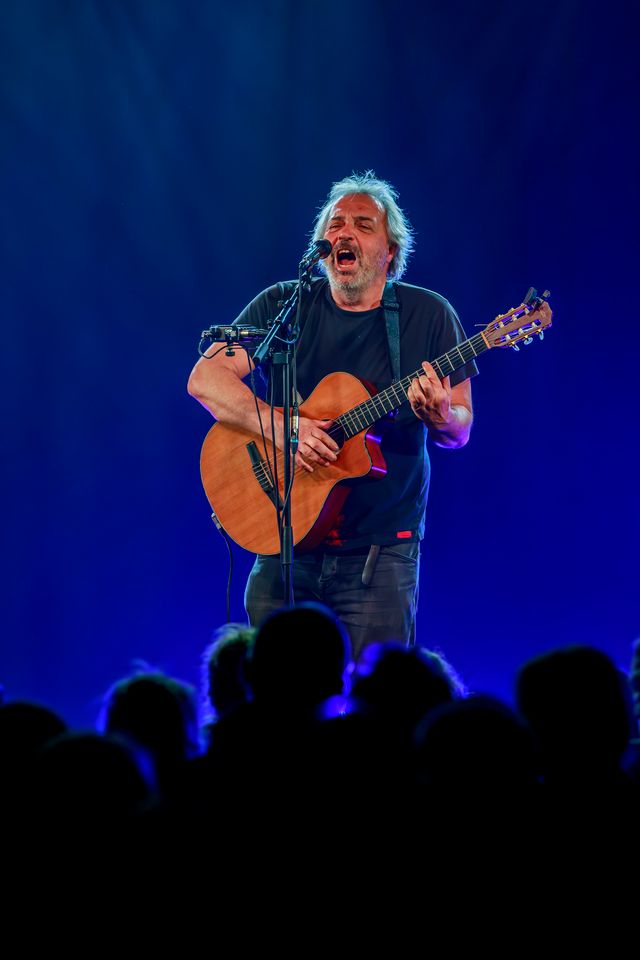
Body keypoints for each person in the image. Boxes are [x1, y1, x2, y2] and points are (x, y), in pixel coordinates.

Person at [188, 171, 479, 660]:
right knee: (276, 692)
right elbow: (205, 378)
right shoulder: (284, 304)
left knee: (376, 697)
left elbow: (460, 429)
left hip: (379, 554)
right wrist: (288, 429)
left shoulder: (428, 315)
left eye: (363, 225)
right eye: (336, 224)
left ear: (390, 251)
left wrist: (441, 416)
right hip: (283, 541)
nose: (345, 233)